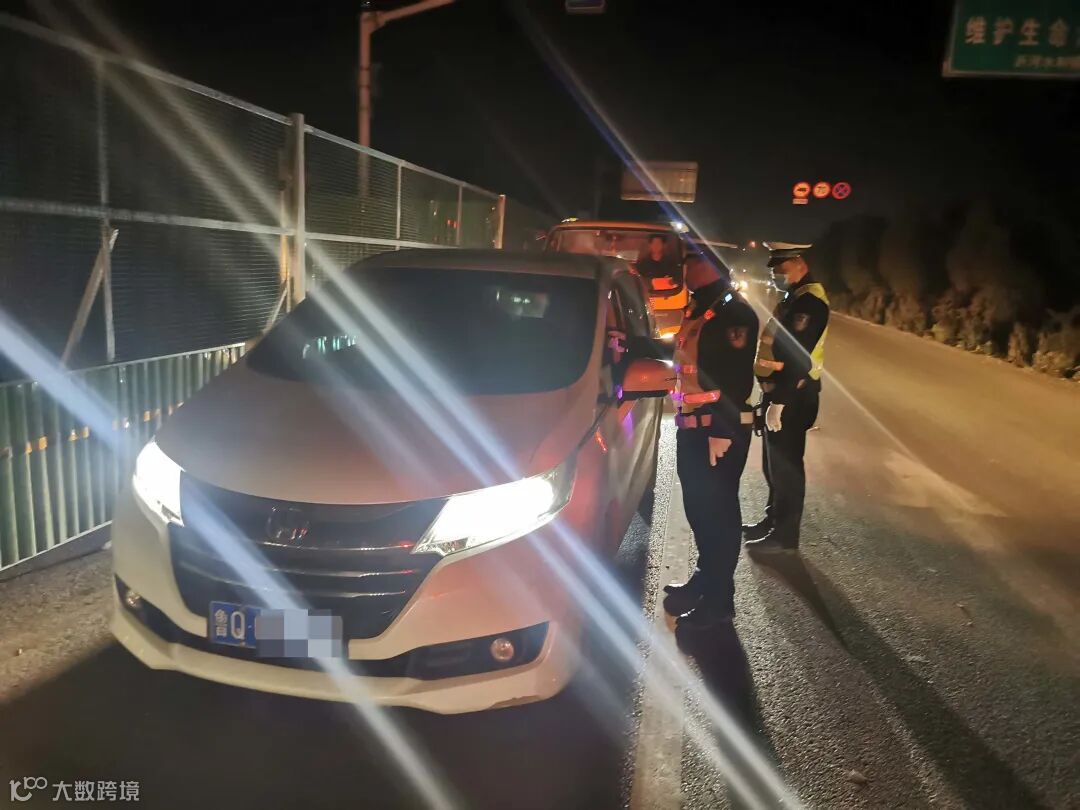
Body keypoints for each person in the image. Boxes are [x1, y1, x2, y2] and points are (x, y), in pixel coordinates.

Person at [663, 249, 759, 630]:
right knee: (700, 513)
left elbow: (736, 378)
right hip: (693, 427)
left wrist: (721, 430)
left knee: (718, 517)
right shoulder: (701, 307)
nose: (685, 267)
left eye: (692, 260)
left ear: (712, 264)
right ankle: (706, 579)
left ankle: (719, 602)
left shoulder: (735, 314)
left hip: (717, 431)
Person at [743, 242, 830, 553]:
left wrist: (779, 402)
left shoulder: (809, 304)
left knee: (787, 468)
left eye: (781, 266)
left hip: (793, 396)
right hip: (782, 394)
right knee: (774, 466)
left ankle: (784, 537)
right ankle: (773, 521)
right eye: (774, 267)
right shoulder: (794, 297)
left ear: (800, 263)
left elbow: (797, 356)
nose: (775, 273)